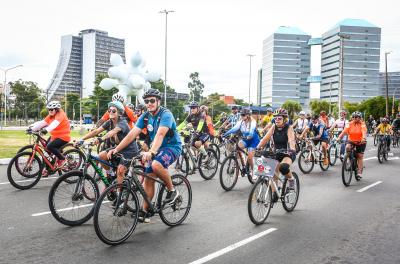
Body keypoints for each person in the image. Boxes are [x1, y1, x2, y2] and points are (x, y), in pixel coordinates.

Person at [107, 88, 182, 223]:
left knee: (156, 164)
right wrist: (117, 149)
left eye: (152, 100)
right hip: (156, 148)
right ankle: (145, 211)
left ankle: (172, 191)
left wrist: (151, 152)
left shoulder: (166, 114)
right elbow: (132, 134)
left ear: (158, 101)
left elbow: (160, 134)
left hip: (171, 147)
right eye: (146, 101)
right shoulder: (145, 116)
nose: (149, 103)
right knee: (149, 178)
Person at [78, 101, 139, 182]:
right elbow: (96, 131)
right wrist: (82, 139)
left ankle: (119, 192)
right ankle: (111, 174)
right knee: (101, 156)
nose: (110, 112)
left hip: (129, 150)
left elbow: (112, 132)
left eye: (114, 111)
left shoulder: (122, 122)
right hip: (119, 148)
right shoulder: (109, 122)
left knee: (120, 171)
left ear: (119, 113)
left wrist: (100, 139)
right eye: (109, 110)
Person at [256, 108, 296, 202]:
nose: (277, 120)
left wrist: (292, 149)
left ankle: (291, 180)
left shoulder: (289, 128)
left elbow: (291, 140)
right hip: (276, 152)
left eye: (279, 118)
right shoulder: (273, 127)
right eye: (275, 118)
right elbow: (265, 139)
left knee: (283, 168)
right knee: (271, 170)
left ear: (284, 119)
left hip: (288, 153)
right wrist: (257, 148)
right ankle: (274, 192)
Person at [30, 101, 71, 176]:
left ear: (56, 109)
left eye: (52, 109)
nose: (50, 111)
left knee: (50, 147)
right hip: (54, 136)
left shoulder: (60, 114)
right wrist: (32, 129)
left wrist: (46, 130)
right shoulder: (50, 115)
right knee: (46, 151)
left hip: (64, 137)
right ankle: (49, 169)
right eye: (49, 109)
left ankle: (62, 159)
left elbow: (54, 124)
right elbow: (43, 123)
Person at [223, 108, 260, 180]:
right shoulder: (241, 122)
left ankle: (254, 171)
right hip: (246, 139)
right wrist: (225, 133)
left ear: (248, 115)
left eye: (243, 115)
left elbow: (252, 130)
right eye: (241, 115)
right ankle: (241, 164)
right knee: (236, 147)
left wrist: (250, 135)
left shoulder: (253, 121)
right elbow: (234, 128)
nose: (242, 116)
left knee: (249, 157)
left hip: (253, 140)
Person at [338, 111, 367, 178]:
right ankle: (349, 160)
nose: (354, 118)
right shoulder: (349, 124)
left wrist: (363, 138)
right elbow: (344, 131)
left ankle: (359, 172)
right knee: (347, 147)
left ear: (360, 118)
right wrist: (339, 137)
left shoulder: (362, 124)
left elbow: (364, 131)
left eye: (356, 117)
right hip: (351, 140)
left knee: (359, 156)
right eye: (353, 117)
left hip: (361, 141)